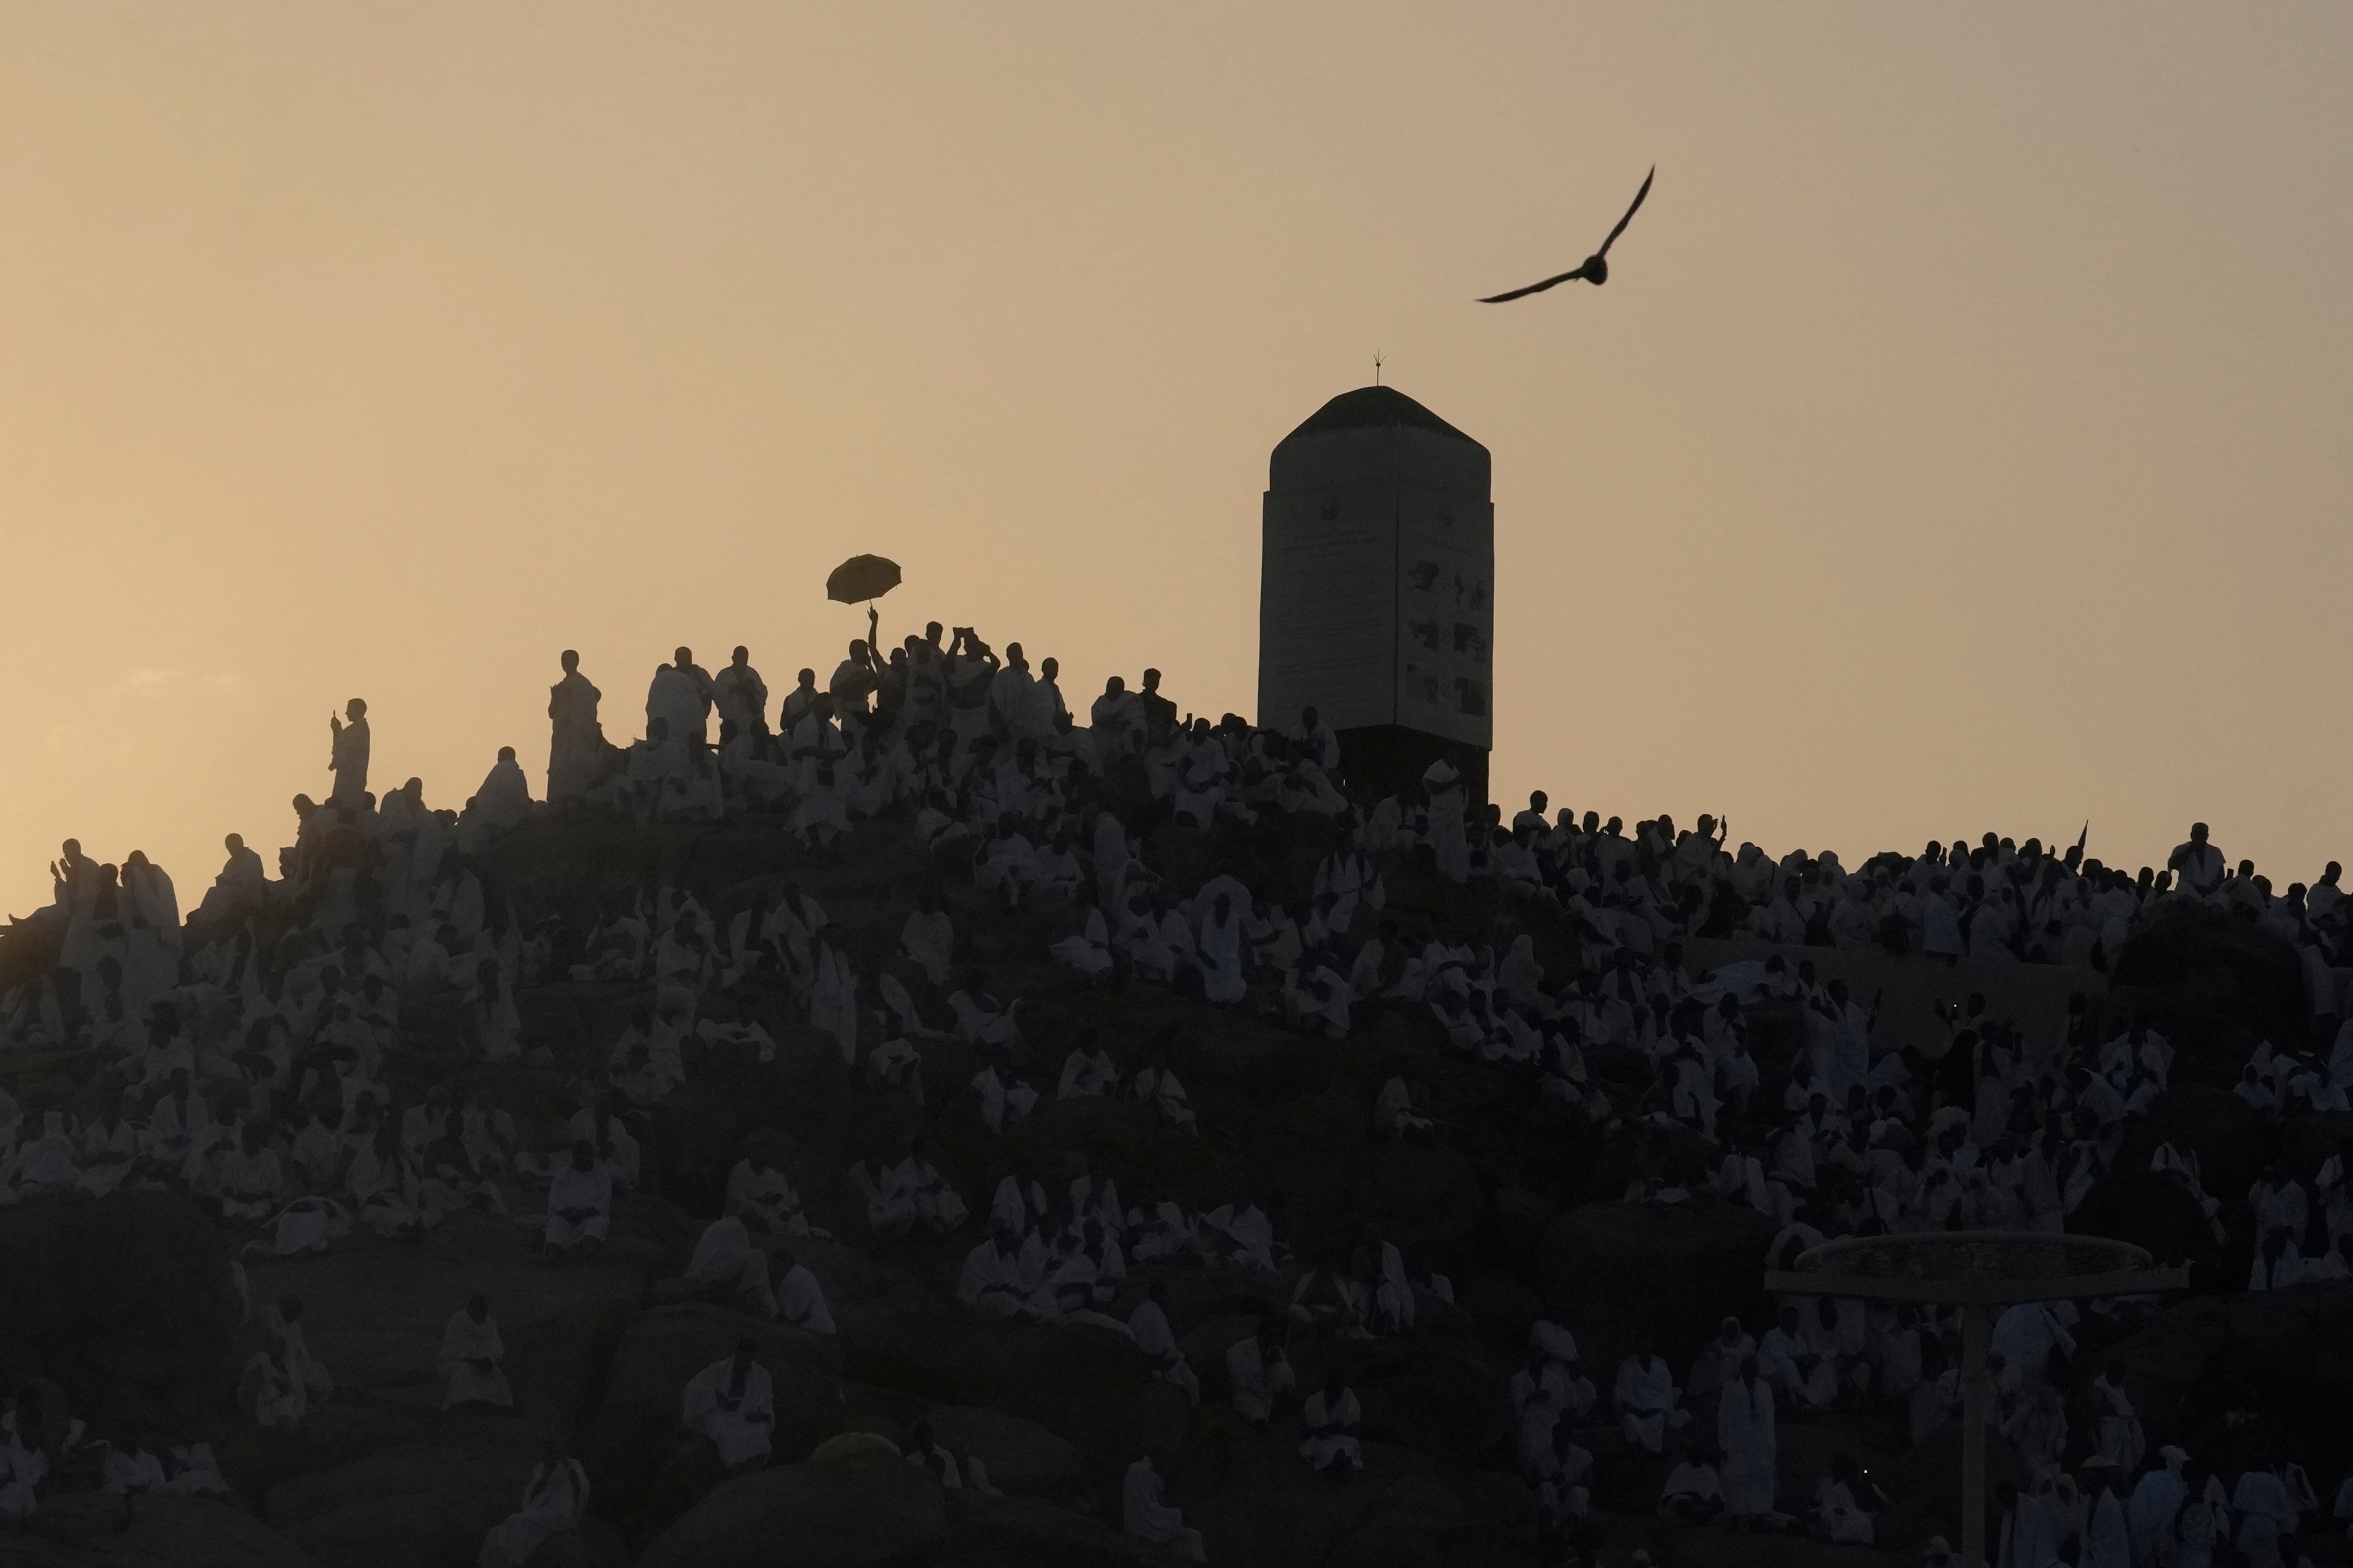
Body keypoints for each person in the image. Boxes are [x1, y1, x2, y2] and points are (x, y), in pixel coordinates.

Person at [479, 1442, 590, 1568]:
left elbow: (577, 1494)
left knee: (516, 1523)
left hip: (560, 1513)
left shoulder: (572, 1469)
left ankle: (514, 1558)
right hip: (545, 1508)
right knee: (503, 1529)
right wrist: (545, 1478)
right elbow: (533, 1493)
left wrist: (573, 1517)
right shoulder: (543, 1468)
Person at [682, 1338, 775, 1473]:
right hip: (720, 1413)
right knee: (728, 1433)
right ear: (736, 1353)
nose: (743, 1363)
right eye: (741, 1357)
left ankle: (754, 1472)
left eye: (747, 1359)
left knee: (759, 1434)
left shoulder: (761, 1376)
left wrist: (760, 1416)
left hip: (745, 1417)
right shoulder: (718, 1370)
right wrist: (714, 1397)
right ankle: (734, 1469)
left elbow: (766, 1403)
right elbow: (693, 1389)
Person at [1718, 1355, 1778, 1526]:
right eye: (1748, 1368)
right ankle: (1738, 1515)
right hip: (1737, 1442)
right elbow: (1723, 1416)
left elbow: (1770, 1416)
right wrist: (1723, 1443)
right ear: (1743, 1369)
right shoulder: (1731, 1387)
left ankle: (1761, 1513)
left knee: (1761, 1478)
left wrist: (1770, 1443)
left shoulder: (1765, 1388)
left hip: (1760, 1443)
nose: (1752, 1372)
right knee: (1737, 1478)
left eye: (1754, 1368)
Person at [1123, 1448, 1206, 1561]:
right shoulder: (1141, 1471)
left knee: (1192, 1536)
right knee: (1192, 1536)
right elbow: (1147, 1509)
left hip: (1149, 1527)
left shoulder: (1144, 1473)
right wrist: (1175, 1514)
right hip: (1144, 1530)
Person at [547, 651, 604, 804]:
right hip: (562, 735)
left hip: (578, 734)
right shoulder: (561, 686)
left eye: (568, 660)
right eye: (562, 660)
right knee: (560, 769)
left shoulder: (583, 684)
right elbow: (551, 713)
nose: (565, 663)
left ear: (576, 661)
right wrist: (555, 697)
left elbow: (589, 710)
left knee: (576, 769)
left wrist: (573, 697)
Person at [1130, 1281, 1201, 1404]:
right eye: (1167, 1295)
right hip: (1163, 1366)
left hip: (1172, 1362)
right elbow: (1143, 1347)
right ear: (1159, 1296)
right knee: (1190, 1387)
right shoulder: (1147, 1313)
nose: (1170, 1299)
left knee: (1194, 1382)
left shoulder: (1158, 1312)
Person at [440, 1295, 514, 1412]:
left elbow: (496, 1348)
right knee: (463, 1373)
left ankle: (498, 1406)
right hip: (458, 1363)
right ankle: (459, 1404)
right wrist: (472, 1360)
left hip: (484, 1364)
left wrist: (489, 1360)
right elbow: (453, 1348)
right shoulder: (458, 1321)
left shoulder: (489, 1325)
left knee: (497, 1375)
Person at [543, 1141, 614, 1258]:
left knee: (598, 1222)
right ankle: (554, 1255)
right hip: (566, 1218)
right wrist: (568, 1213)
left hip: (590, 1218)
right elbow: (555, 1201)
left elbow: (604, 1203)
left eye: (589, 1156)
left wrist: (585, 1213)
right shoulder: (562, 1174)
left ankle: (583, 1254)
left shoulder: (601, 1174)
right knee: (555, 1223)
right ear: (575, 1157)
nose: (586, 1160)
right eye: (582, 1157)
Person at [1225, 1319, 1295, 1428]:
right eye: (1272, 1335)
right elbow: (1242, 1381)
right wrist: (1265, 1364)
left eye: (1277, 1335)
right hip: (1247, 1393)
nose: (1275, 1338)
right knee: (1257, 1415)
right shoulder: (1238, 1352)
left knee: (1282, 1369)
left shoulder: (1276, 1351)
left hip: (1268, 1392)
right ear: (1263, 1334)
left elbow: (1286, 1377)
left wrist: (1276, 1364)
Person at [1299, 1373, 1362, 1477]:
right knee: (1326, 1451)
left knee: (1346, 1449)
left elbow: (1358, 1428)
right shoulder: (1313, 1403)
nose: (1332, 1398)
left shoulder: (1349, 1401)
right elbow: (1304, 1431)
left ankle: (1338, 1465)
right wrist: (1319, 1431)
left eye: (1336, 1395)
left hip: (1343, 1439)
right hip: (1321, 1441)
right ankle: (1340, 1466)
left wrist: (1340, 1430)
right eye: (1330, 1394)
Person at [714, 647, 769, 737]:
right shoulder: (724, 675)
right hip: (732, 725)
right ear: (733, 658)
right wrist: (735, 689)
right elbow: (718, 696)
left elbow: (762, 694)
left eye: (745, 658)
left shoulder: (753, 674)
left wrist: (751, 690)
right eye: (740, 657)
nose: (742, 660)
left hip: (751, 725)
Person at [329, 699, 370, 806]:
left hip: (351, 780)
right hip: (349, 778)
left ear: (357, 710)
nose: (346, 713)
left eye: (349, 710)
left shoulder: (359, 730)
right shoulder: (356, 730)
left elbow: (341, 752)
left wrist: (337, 731)